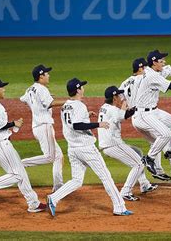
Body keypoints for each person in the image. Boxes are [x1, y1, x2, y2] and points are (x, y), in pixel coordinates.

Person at [46, 78, 132, 217]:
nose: (83, 89)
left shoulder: (65, 105)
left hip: (73, 149)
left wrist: (87, 115)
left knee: (77, 180)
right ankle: (119, 207)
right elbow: (76, 125)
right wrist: (98, 124)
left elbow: (72, 122)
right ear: (78, 89)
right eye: (82, 87)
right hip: (86, 148)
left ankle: (53, 198)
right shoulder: (79, 105)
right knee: (106, 177)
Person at [120, 57, 171, 181]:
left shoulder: (126, 82)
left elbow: (120, 96)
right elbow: (169, 78)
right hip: (143, 115)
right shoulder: (148, 76)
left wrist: (125, 107)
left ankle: (167, 166)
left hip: (146, 113)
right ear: (142, 68)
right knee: (164, 136)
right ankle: (156, 161)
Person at [0, 78, 46, 213]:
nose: (4, 89)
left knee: (21, 173)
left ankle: (33, 203)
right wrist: (14, 124)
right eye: (2, 87)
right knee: (17, 175)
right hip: (0, 145)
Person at [98, 86, 158, 201]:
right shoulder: (112, 110)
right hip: (113, 145)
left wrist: (125, 103)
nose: (121, 97)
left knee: (138, 153)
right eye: (119, 95)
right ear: (114, 97)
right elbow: (125, 115)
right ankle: (125, 192)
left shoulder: (104, 107)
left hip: (109, 144)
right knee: (139, 164)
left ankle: (144, 184)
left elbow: (120, 114)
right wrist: (138, 108)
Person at [20, 64, 65, 192]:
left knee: (58, 156)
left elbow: (22, 99)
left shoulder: (30, 89)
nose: (48, 75)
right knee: (50, 156)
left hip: (38, 126)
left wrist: (38, 100)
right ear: (41, 76)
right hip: (44, 126)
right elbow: (50, 104)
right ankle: (20, 163)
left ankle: (58, 186)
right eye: (46, 73)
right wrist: (68, 101)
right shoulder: (42, 89)